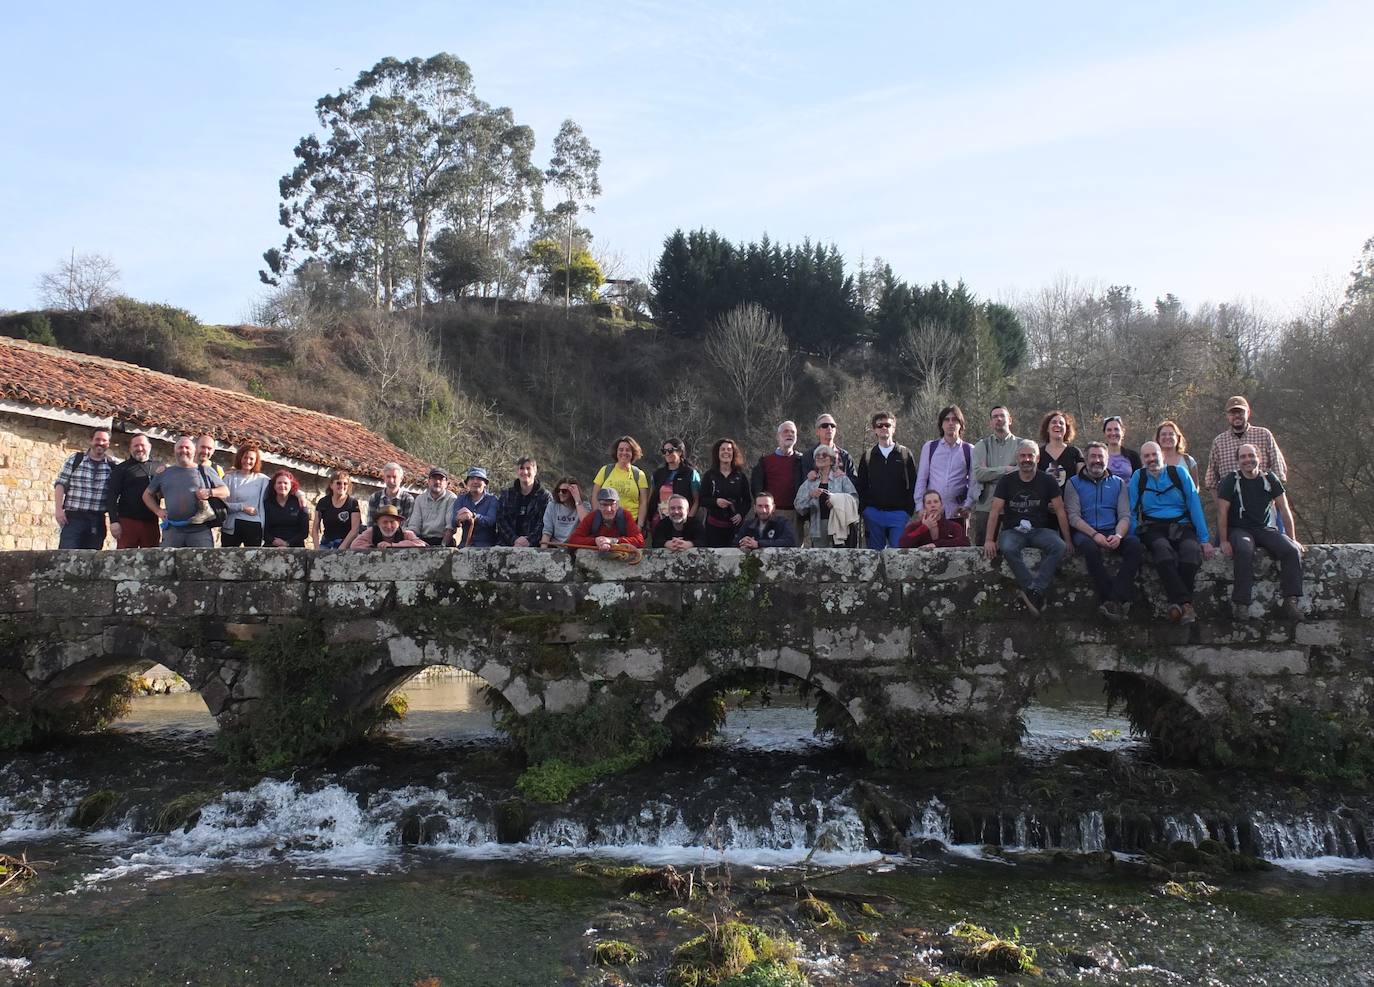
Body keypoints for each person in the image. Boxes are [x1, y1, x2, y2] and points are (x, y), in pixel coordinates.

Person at [983, 439, 1071, 616]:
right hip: (1013, 530)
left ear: (1037, 458)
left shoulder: (1047, 481)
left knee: (1059, 546)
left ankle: (1035, 589)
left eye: (1030, 455)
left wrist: (1067, 540)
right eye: (1022, 456)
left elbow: (1061, 511)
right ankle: (1033, 590)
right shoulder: (1007, 481)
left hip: (1040, 530)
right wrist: (989, 540)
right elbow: (995, 511)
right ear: (1017, 458)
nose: (1026, 459)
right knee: (1007, 547)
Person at [1217, 443, 1304, 621]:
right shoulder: (1231, 480)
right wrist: (1224, 541)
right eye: (1243, 457)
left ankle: (1291, 601)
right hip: (1239, 529)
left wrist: (1292, 538)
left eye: (1251, 455)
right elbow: (1222, 512)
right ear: (1238, 461)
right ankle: (1241, 604)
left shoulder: (1269, 478)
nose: (1247, 460)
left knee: (1291, 551)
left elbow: (1284, 509)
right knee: (1244, 549)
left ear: (1259, 458)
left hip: (1263, 528)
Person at [1129, 441, 1214, 624]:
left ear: (1162, 455)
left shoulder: (1179, 473)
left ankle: (1176, 603)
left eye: (1154, 454)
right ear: (1142, 459)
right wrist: (1132, 537)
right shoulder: (1139, 477)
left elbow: (1194, 504)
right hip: (1153, 527)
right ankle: (1186, 604)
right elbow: (1132, 510)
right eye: (1147, 456)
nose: (1151, 459)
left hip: (1182, 524)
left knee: (1191, 552)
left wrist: (1204, 538)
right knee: (1162, 551)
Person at [1065, 441, 1144, 621]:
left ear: (1107, 460)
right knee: (1090, 549)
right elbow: (1074, 517)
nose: (1097, 460)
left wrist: (1118, 535)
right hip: (1085, 532)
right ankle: (1110, 598)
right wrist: (1094, 535)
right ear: (1085, 459)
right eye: (1093, 456)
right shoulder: (1074, 483)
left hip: (1112, 529)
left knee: (1135, 545)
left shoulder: (1118, 483)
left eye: (1101, 456)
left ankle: (1113, 598)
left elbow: (1125, 515)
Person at [141, 435, 229, 548]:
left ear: (194, 451)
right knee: (169, 565)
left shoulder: (206, 470)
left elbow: (225, 491)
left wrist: (209, 492)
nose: (184, 450)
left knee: (202, 565)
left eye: (187, 447)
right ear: (175, 450)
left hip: (200, 531)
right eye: (180, 447)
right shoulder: (164, 473)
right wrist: (158, 510)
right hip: (173, 531)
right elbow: (147, 495)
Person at [855, 411, 918, 549]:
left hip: (899, 514)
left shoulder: (905, 454)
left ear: (893, 428)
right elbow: (861, 485)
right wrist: (865, 510)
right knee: (875, 559)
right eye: (880, 425)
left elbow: (914, 484)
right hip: (873, 514)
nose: (884, 428)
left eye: (887, 425)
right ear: (874, 430)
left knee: (898, 556)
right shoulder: (868, 456)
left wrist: (908, 510)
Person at [1203, 395, 1288, 493]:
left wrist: (1276, 498)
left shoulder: (1264, 434)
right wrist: (1220, 505)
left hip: (1263, 496)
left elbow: (1278, 469)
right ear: (1227, 416)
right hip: (1232, 501)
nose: (1236, 416)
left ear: (1248, 412)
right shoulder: (1219, 442)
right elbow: (1211, 479)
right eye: (1232, 413)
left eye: (1240, 412)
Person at [54, 427, 116, 549]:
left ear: (108, 444)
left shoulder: (112, 466)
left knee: (90, 561)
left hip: (97, 521)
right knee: (67, 558)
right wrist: (58, 510)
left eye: (104, 440)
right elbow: (60, 484)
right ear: (91, 440)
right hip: (73, 519)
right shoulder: (76, 460)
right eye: (97, 439)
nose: (101, 443)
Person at [914, 405, 975, 522]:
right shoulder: (930, 447)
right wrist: (919, 507)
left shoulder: (969, 450)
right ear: (941, 424)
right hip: (932, 513)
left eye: (955, 420)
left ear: (960, 424)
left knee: (957, 540)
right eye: (947, 419)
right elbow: (921, 479)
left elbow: (974, 482)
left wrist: (968, 505)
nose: (950, 423)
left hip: (958, 513)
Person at [970, 406, 1019, 546]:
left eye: (1002, 416)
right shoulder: (981, 445)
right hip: (986, 505)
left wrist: (990, 472)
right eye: (995, 417)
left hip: (1014, 505)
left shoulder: (1022, 445)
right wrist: (1007, 469)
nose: (998, 419)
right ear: (990, 423)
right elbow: (979, 474)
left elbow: (1026, 473)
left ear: (1010, 420)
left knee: (1013, 549)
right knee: (982, 548)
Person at [795, 446, 859, 548]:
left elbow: (854, 500)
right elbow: (798, 506)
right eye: (817, 456)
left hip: (840, 527)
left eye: (824, 455)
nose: (820, 457)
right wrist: (810, 496)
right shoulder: (810, 482)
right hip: (818, 528)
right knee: (820, 562)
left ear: (832, 460)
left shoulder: (842, 479)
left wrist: (837, 500)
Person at [106, 433, 161, 549]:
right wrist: (113, 521)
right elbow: (111, 495)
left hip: (151, 523)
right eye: (135, 446)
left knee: (152, 560)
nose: (139, 449)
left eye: (142, 445)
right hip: (127, 522)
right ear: (130, 449)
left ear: (149, 447)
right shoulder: (121, 469)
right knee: (125, 561)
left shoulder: (159, 468)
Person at [751, 420, 805, 534]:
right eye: (786, 431)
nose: (789, 434)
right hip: (771, 513)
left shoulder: (802, 461)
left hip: (795, 514)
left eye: (793, 432)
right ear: (778, 436)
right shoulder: (765, 461)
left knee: (795, 548)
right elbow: (756, 488)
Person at [700, 437, 752, 548]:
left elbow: (747, 501)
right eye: (722, 449)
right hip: (713, 528)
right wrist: (716, 502)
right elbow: (702, 499)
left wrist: (740, 514)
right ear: (717, 453)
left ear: (733, 453)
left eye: (729, 449)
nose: (726, 452)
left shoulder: (740, 476)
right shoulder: (709, 475)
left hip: (735, 528)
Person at [593, 436, 651, 526]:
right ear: (616, 452)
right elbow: (595, 496)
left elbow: (643, 502)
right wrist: (598, 519)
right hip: (606, 523)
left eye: (628, 450)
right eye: (621, 449)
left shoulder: (639, 475)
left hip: (630, 524)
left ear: (633, 453)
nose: (624, 452)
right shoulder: (605, 471)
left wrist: (639, 526)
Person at [566, 487, 645, 551]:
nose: (608, 509)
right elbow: (573, 540)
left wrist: (613, 541)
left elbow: (639, 541)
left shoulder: (625, 516)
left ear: (617, 505)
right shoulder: (592, 517)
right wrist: (595, 541)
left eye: (612, 504)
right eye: (604, 505)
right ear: (599, 505)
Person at [221, 444, 269, 548]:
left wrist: (299, 494)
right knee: (228, 559)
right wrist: (242, 507)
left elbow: (283, 484)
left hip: (253, 524)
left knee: (253, 561)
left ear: (256, 461)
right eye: (245, 457)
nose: (247, 461)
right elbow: (222, 504)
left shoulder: (262, 480)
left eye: (251, 458)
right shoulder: (229, 478)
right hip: (232, 525)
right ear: (240, 458)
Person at [496, 457, 550, 547]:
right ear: (517, 471)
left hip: (535, 546)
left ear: (535, 471)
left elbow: (545, 523)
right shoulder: (506, 495)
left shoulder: (545, 496)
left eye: (528, 468)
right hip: (507, 545)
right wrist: (514, 540)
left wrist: (529, 540)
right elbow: (501, 520)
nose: (525, 472)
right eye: (521, 468)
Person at [898, 490, 969, 549]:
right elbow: (903, 544)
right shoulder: (914, 526)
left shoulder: (953, 526)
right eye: (929, 503)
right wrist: (923, 528)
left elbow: (964, 542)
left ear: (941, 505)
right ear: (924, 507)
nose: (933, 505)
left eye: (936, 501)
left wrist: (936, 544)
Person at [452, 467, 501, 548]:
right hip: (464, 547)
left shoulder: (492, 500)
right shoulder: (461, 499)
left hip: (487, 547)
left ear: (485, 483)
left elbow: (491, 520)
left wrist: (473, 516)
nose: (475, 481)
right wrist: (459, 519)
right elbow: (453, 522)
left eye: (479, 479)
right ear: (467, 483)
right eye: (472, 479)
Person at [408, 467, 458, 546]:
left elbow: (450, 528)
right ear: (428, 481)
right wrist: (414, 539)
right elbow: (414, 526)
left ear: (447, 483)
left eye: (441, 479)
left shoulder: (452, 499)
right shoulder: (420, 499)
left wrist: (442, 546)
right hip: (422, 541)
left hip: (444, 540)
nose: (437, 482)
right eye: (434, 478)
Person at [313, 470, 361, 550]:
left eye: (345, 483)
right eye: (338, 483)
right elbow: (315, 528)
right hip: (326, 543)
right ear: (331, 485)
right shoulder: (323, 502)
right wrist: (317, 548)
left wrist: (342, 547)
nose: (342, 486)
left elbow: (355, 529)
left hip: (346, 544)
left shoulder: (353, 503)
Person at [262, 469, 310, 547]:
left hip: (295, 547)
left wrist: (287, 543)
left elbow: (304, 532)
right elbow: (263, 529)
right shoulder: (267, 504)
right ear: (274, 485)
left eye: (286, 483)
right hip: (272, 546)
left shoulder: (300, 503)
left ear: (291, 486)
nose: (282, 485)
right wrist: (273, 540)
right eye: (279, 483)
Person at [1038, 410, 1084, 490]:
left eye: (1061, 423)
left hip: (1069, 500)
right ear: (1047, 428)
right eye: (1054, 422)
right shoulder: (1038, 453)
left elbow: (1081, 481)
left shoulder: (1075, 453)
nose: (1058, 425)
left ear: (1066, 429)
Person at [799, 413, 855, 477]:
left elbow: (854, 481)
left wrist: (844, 477)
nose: (829, 428)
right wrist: (808, 476)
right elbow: (801, 481)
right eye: (825, 425)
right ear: (817, 432)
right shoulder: (808, 456)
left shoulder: (845, 457)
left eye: (832, 426)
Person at [540, 476, 590, 547]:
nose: (560, 493)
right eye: (558, 490)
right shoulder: (552, 505)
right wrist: (543, 553)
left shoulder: (584, 505)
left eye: (564, 491)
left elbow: (586, 523)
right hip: (555, 545)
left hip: (575, 546)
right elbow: (547, 532)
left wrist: (577, 499)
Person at [348, 505, 426, 549]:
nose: (389, 526)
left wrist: (392, 546)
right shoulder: (371, 532)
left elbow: (422, 545)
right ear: (378, 523)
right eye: (385, 522)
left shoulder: (406, 533)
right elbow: (354, 545)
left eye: (392, 522)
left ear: (398, 523)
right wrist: (376, 548)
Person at [1101, 416, 1142, 482]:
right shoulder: (1098, 456)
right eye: (1109, 430)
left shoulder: (1133, 456)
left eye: (1116, 429)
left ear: (1123, 432)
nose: (1113, 433)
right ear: (1104, 433)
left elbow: (1140, 482)